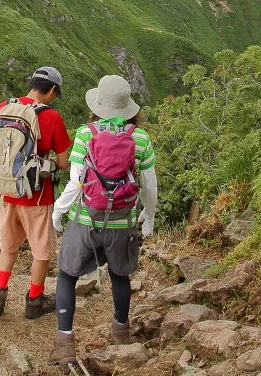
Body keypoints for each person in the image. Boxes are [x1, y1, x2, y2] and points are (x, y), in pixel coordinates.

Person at [49, 74, 158, 365]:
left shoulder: (86, 133)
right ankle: (121, 334)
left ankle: (65, 344)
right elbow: (149, 186)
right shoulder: (141, 138)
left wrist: (59, 211)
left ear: (99, 104)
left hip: (85, 219)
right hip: (122, 222)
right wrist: (148, 216)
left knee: (67, 275)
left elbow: (76, 181)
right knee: (120, 276)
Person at [0, 66, 71, 319]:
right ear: (52, 90)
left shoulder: (3, 108)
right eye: (55, 94)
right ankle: (34, 301)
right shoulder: (52, 118)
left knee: (8, 246)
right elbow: (63, 164)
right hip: (36, 195)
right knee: (41, 250)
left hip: (5, 191)